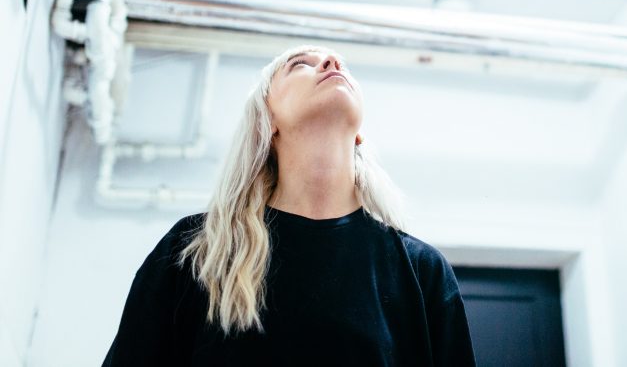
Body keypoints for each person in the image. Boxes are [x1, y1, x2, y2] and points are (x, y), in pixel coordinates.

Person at [101, 45, 477, 366]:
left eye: (340, 65)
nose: (332, 64)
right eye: (300, 64)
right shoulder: (198, 248)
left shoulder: (421, 272)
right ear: (268, 119)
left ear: (359, 131)